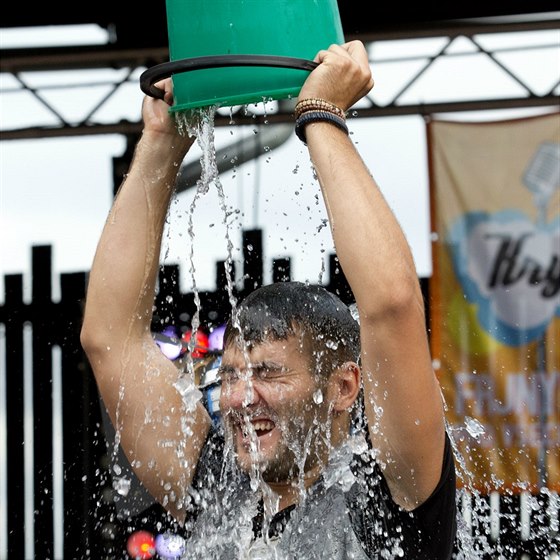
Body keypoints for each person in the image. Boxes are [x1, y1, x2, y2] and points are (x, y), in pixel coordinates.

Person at [80, 40, 457, 559]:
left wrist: (321, 116)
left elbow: (392, 306)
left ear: (344, 385)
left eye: (269, 373)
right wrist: (162, 144)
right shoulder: (216, 485)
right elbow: (109, 338)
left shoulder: (392, 491)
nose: (238, 398)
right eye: (232, 374)